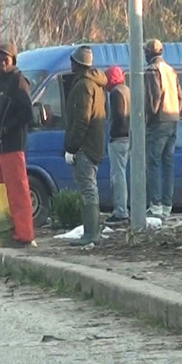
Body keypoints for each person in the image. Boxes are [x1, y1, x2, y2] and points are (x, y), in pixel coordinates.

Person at [0, 43, 36, 247]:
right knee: (0, 195)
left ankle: (24, 235)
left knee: (18, 192)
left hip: (12, 146)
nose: (2, 61)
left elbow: (26, 113)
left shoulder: (18, 82)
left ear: (13, 60)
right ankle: (4, 233)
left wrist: (5, 130)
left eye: (6, 58)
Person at [64, 46, 108, 245]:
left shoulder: (84, 86)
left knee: (88, 189)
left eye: (73, 62)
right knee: (90, 187)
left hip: (85, 146)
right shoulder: (96, 85)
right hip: (93, 144)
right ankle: (92, 232)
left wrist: (72, 146)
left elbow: (82, 119)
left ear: (77, 64)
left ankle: (91, 233)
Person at [144, 39, 182, 218]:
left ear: (150, 53)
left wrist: (148, 119)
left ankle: (156, 205)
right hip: (173, 119)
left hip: (159, 121)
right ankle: (167, 205)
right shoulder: (170, 70)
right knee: (168, 164)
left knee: (153, 163)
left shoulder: (153, 70)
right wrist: (174, 113)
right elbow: (180, 97)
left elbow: (154, 99)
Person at [105, 66, 130, 226]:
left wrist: (113, 134)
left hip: (119, 138)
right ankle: (123, 209)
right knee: (122, 174)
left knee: (117, 175)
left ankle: (120, 211)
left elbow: (119, 115)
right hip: (129, 137)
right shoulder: (127, 90)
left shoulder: (116, 93)